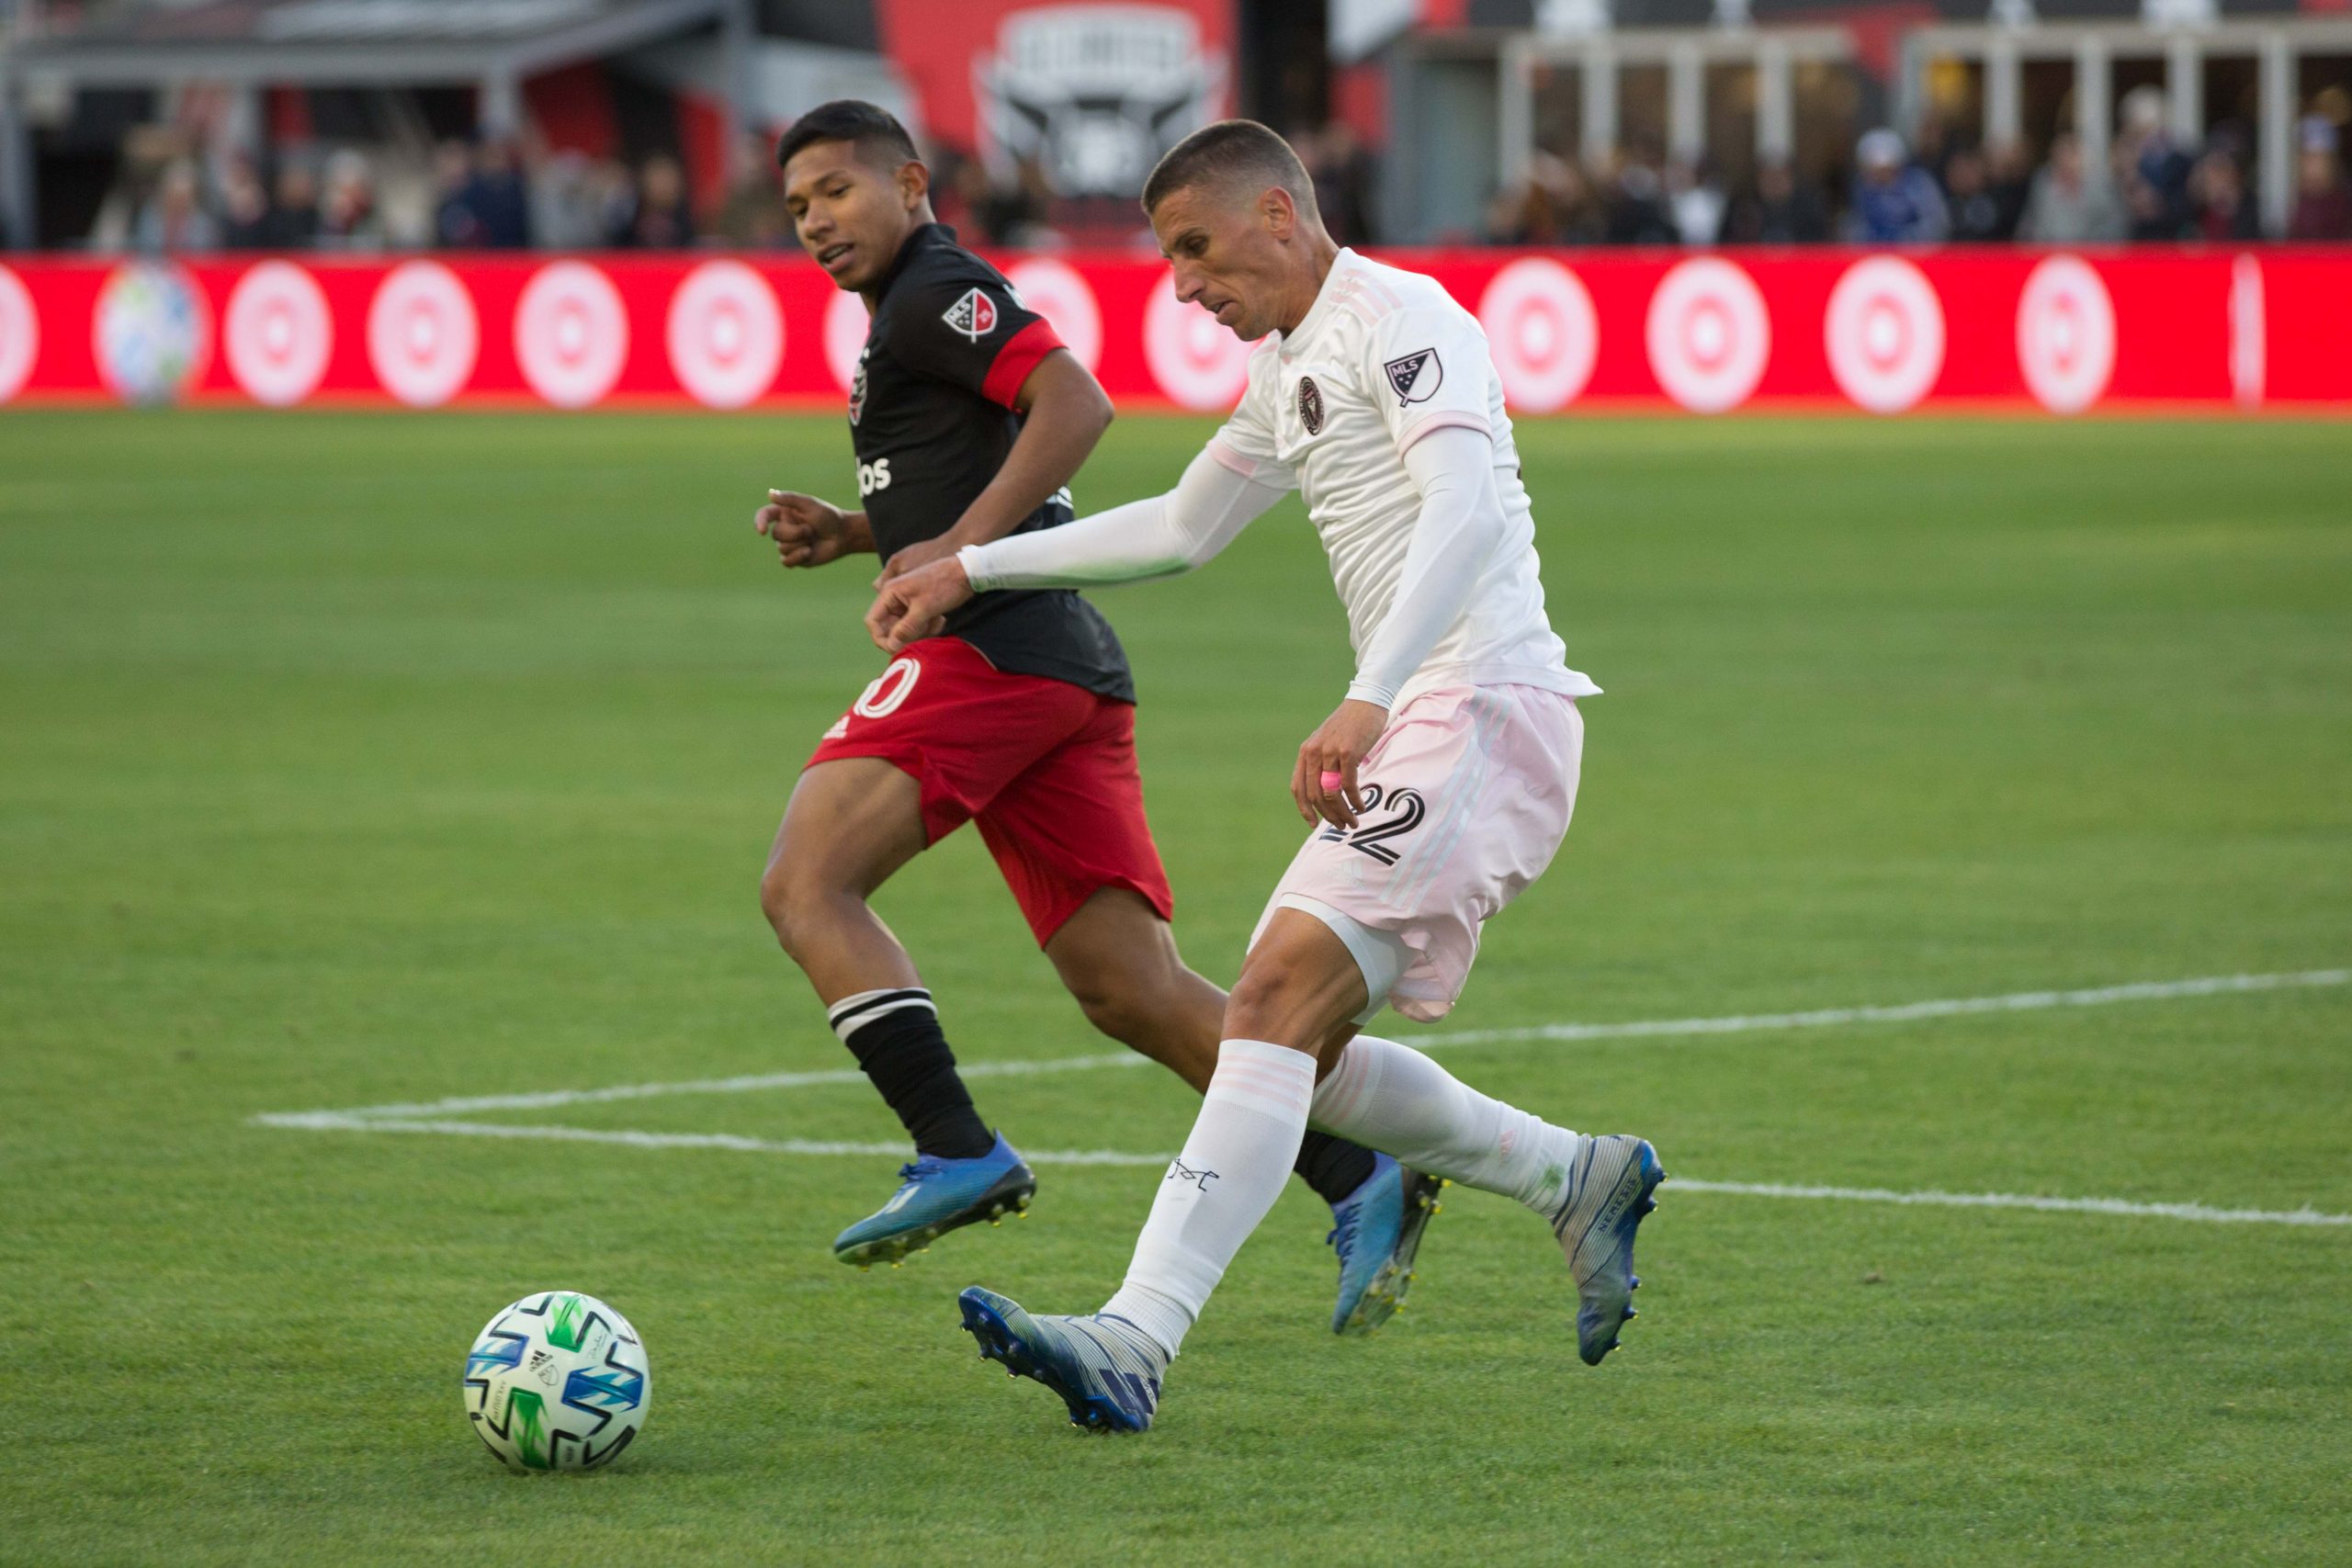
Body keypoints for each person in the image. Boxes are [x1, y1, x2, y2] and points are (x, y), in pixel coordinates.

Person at [872, 119, 1663, 1433]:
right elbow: (1183, 526)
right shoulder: (1289, 366)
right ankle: (1573, 1175)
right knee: (1295, 1037)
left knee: (1273, 998)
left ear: (1280, 216)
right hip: (1435, 714)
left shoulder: (1402, 317)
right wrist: (972, 565)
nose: (1185, 283)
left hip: (1482, 704)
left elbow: (1467, 508)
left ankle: (1134, 1338)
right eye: (1171, 258)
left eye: (1198, 247)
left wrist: (1371, 692)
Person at [752, 101, 1431, 1336]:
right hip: (1060, 664)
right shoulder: (906, 310)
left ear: (910, 182)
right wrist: (856, 532)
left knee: (806, 882)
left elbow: (1074, 403)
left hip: (994, 653)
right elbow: (979, 461)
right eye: (797, 207)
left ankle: (954, 1144)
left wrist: (954, 555)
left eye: (837, 191)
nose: (815, 222)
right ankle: (1357, 1169)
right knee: (1134, 988)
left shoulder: (933, 289)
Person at [2017, 133, 2125, 243]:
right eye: (2059, 157)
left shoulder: (2098, 187)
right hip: (2049, 250)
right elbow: (2030, 224)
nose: (2064, 162)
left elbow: (2112, 223)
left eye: (2069, 156)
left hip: (2089, 250)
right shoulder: (2042, 186)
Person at [1845, 129, 1948, 243]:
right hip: (1874, 251)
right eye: (1874, 170)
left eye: (1886, 169)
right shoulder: (1861, 187)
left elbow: (1936, 223)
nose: (1880, 176)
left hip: (1915, 250)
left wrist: (1903, 240)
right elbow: (1855, 225)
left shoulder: (1917, 184)